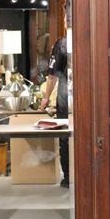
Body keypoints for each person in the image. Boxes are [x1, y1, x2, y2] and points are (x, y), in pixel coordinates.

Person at [40, 35, 70, 188]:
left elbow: (52, 76)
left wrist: (46, 98)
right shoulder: (92, 37)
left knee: (65, 137)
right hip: (88, 96)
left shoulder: (62, 43)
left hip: (66, 98)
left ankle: (68, 177)